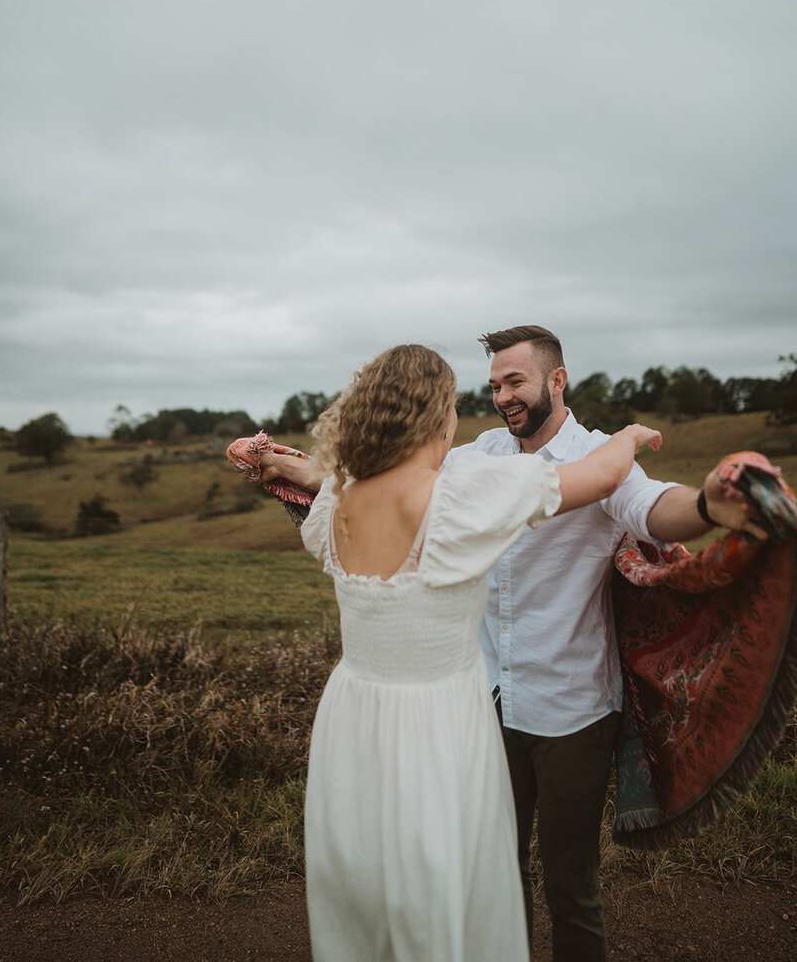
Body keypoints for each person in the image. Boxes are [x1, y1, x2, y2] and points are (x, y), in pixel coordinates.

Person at [266, 342, 665, 962]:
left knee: (374, 880)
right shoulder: (456, 493)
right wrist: (630, 436)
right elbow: (603, 475)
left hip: (352, 719)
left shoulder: (340, 500)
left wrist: (291, 467)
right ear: (435, 415)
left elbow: (335, 487)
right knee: (450, 877)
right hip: (437, 719)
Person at [452, 324, 763, 962]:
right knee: (491, 876)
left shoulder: (601, 457)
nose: (503, 396)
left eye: (515, 381)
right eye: (494, 385)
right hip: (487, 702)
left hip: (573, 706)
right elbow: (407, 487)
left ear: (556, 380)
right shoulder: (479, 453)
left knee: (571, 885)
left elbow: (653, 506)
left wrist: (707, 503)